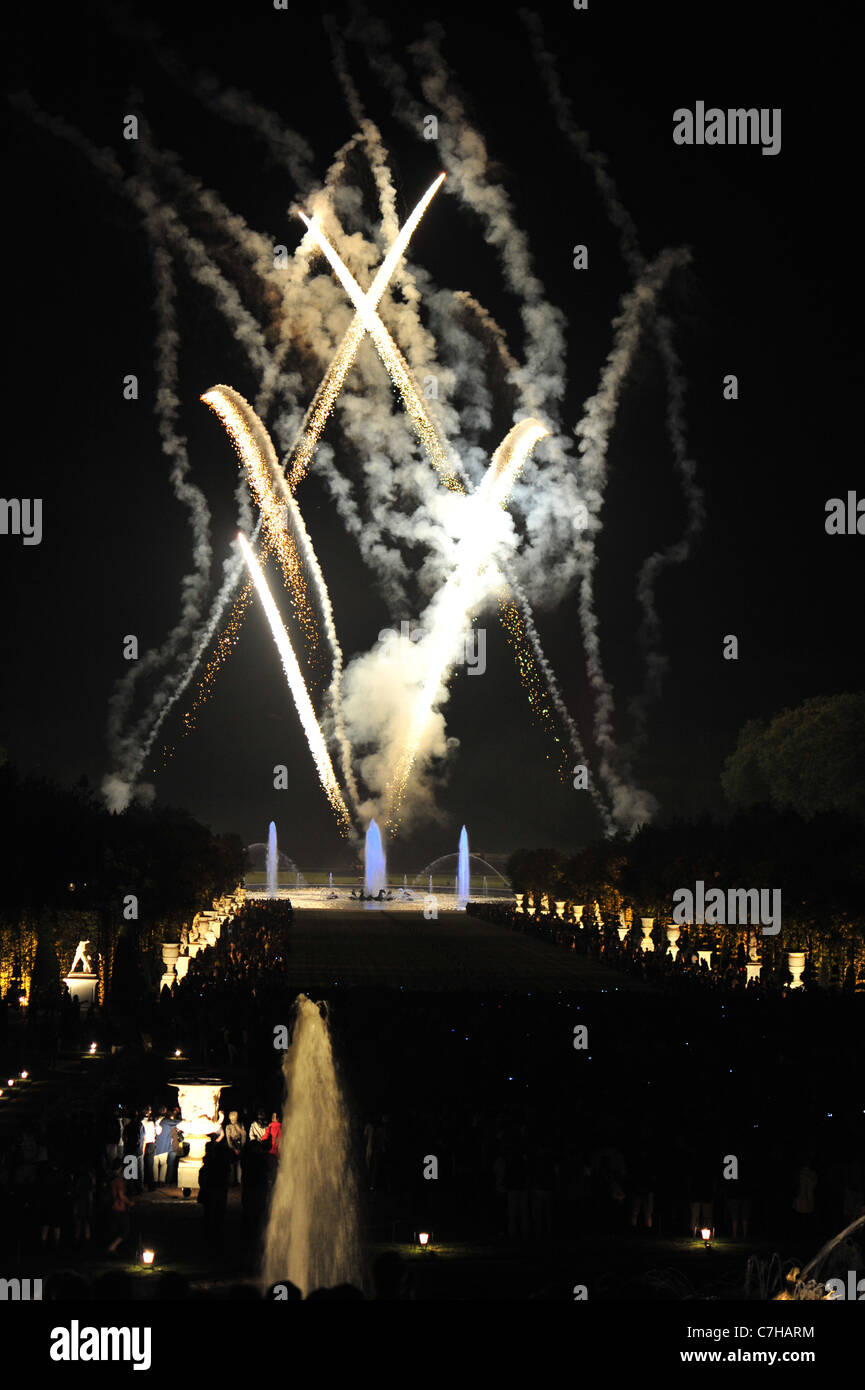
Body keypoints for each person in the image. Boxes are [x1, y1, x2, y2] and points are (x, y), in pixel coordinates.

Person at [107, 1158, 134, 1254]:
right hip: (119, 1207)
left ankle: (114, 1247)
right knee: (125, 1230)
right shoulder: (119, 1180)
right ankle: (112, 1247)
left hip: (112, 1207)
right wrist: (129, 1202)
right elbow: (121, 1195)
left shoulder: (111, 1179)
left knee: (115, 1229)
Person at [153, 1106, 176, 1186]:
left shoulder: (153, 1120)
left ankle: (155, 1181)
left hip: (154, 1146)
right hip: (164, 1146)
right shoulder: (167, 1121)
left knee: (155, 1165)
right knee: (163, 1164)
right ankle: (162, 1181)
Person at [225, 1111, 247, 1186]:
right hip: (232, 1147)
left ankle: (239, 1180)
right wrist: (233, 1148)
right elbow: (228, 1139)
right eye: (231, 1119)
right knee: (232, 1164)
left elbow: (243, 1135)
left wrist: (241, 1146)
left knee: (240, 1164)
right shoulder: (228, 1127)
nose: (232, 1121)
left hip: (240, 1145)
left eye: (234, 1119)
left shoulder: (240, 1125)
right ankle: (232, 1181)